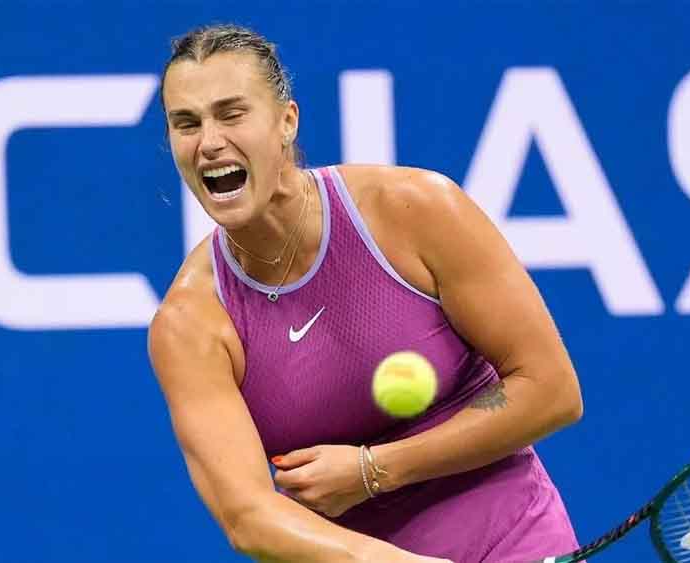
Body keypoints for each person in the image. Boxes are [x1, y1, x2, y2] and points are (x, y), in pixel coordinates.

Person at [148, 23, 584, 563]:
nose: (209, 142)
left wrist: (375, 469)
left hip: (516, 539)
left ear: (286, 121)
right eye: (186, 123)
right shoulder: (191, 323)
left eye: (232, 114)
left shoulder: (415, 210)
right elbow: (249, 518)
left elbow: (549, 389)